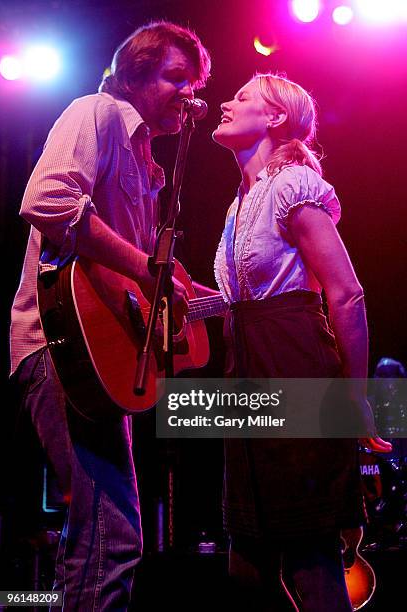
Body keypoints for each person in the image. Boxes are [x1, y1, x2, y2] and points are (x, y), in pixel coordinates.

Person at [9, 21, 210, 610]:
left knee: (105, 538)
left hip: (101, 359)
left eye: (195, 83)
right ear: (136, 73)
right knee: (111, 539)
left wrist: (176, 292)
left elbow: (129, 281)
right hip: (60, 346)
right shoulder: (96, 111)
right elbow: (47, 202)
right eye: (178, 78)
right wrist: (151, 269)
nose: (190, 94)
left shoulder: (150, 168)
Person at [212, 73, 392, 610]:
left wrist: (355, 397)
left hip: (294, 368)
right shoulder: (237, 205)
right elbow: (237, 299)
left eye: (242, 97)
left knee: (311, 559)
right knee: (247, 561)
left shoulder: (292, 184)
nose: (224, 102)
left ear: (274, 118)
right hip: (245, 381)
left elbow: (347, 294)